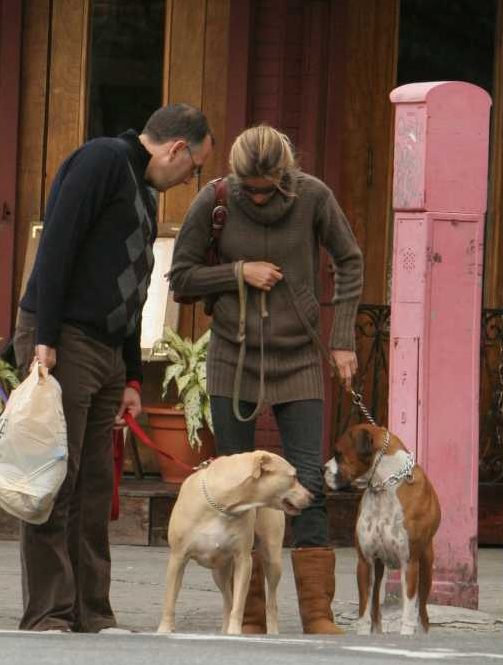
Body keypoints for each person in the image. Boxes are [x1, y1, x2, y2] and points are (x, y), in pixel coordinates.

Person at [13, 104, 214, 633]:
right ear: (176, 148)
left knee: (96, 486)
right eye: (194, 168)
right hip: (64, 338)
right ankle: (49, 613)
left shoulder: (142, 191)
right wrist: (45, 339)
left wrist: (131, 375)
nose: (190, 180)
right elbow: (56, 245)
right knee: (57, 477)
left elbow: (134, 287)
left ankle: (92, 611)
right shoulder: (102, 160)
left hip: (104, 350)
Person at [169, 125, 363, 634]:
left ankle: (318, 613)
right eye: (249, 189)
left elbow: (350, 260)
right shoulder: (214, 200)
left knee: (308, 480)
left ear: (286, 173)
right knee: (239, 486)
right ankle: (249, 614)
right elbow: (181, 276)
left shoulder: (314, 196)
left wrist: (342, 337)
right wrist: (239, 272)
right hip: (232, 359)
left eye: (268, 187)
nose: (258, 196)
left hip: (299, 358)